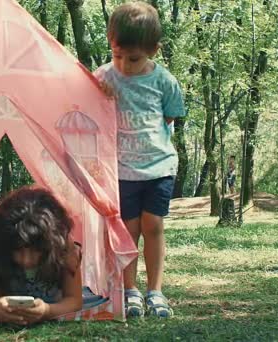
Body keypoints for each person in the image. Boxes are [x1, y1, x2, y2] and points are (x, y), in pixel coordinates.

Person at [93, 1, 186, 318]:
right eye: (118, 55)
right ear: (111, 45)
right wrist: (98, 93)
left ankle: (155, 291)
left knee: (154, 225)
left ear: (153, 51)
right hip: (121, 171)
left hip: (159, 167)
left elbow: (170, 118)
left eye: (133, 58)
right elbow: (86, 107)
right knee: (128, 230)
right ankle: (129, 290)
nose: (124, 65)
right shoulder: (104, 77)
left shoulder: (164, 82)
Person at [0, 187, 82, 325]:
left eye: (36, 250)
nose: (26, 260)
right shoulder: (0, 255)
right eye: (17, 250)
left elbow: (74, 300)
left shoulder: (66, 250)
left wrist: (47, 311)